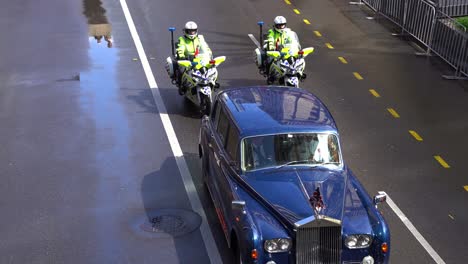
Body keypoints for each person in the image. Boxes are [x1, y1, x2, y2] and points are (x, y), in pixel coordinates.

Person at [174, 21, 212, 95]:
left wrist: (209, 54)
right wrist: (182, 56)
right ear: (186, 31)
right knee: (181, 70)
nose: (192, 33)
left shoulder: (200, 38)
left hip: (199, 58)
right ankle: (181, 86)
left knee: (210, 68)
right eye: (190, 31)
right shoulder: (182, 39)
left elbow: (205, 47)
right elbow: (180, 48)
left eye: (193, 31)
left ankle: (213, 82)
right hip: (187, 59)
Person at [262, 16, 301, 81]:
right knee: (270, 60)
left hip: (285, 50)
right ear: (275, 25)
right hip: (276, 50)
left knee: (295, 59)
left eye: (282, 25)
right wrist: (272, 47)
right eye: (279, 25)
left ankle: (298, 73)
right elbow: (270, 39)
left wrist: (296, 46)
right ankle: (269, 76)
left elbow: (292, 39)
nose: (281, 27)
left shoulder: (288, 32)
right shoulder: (272, 32)